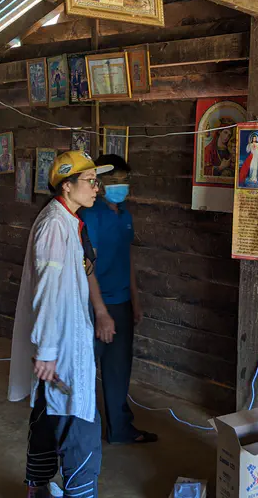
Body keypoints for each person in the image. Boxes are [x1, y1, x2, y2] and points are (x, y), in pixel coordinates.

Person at [8, 151, 114, 498]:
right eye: (89, 181)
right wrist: (49, 351)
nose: (96, 188)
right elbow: (48, 292)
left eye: (97, 181)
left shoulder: (67, 221)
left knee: (48, 415)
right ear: (66, 186)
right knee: (78, 429)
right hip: (63, 349)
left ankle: (37, 490)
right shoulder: (55, 225)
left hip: (63, 344)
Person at [80, 155, 158, 445]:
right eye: (114, 182)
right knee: (86, 369)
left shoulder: (125, 214)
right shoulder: (91, 215)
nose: (120, 187)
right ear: (99, 185)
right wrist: (100, 312)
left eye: (124, 181)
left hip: (122, 302)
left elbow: (128, 257)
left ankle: (120, 429)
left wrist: (134, 301)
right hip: (95, 305)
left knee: (119, 369)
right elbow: (88, 265)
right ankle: (82, 432)